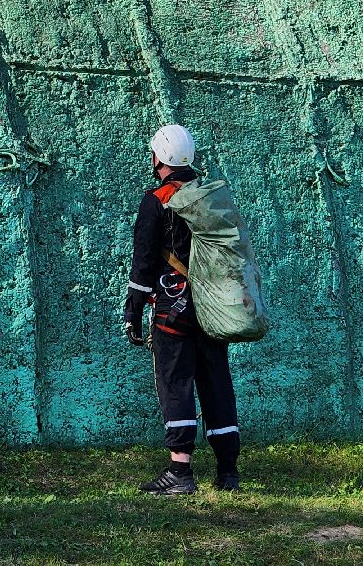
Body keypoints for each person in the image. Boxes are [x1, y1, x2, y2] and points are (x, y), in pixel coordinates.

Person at [124, 124, 242, 495]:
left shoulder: (156, 199)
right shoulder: (209, 196)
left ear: (158, 157)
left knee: (175, 382)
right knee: (216, 381)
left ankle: (180, 472)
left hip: (172, 311)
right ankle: (227, 473)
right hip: (212, 307)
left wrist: (133, 310)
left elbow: (144, 263)